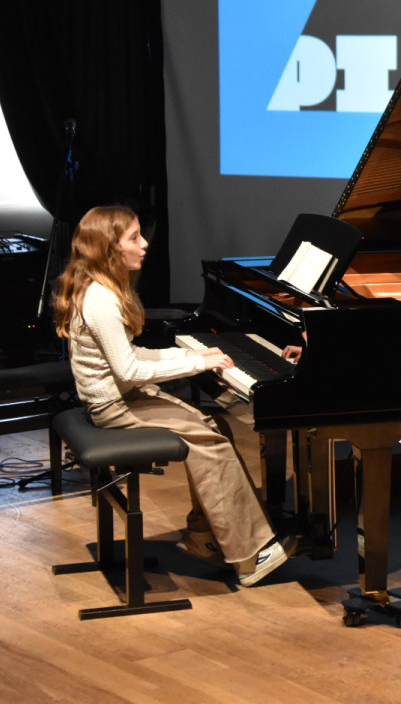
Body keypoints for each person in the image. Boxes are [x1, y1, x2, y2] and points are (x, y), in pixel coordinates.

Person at [54, 205, 297, 587]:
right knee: (210, 443)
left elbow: (131, 357)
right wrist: (195, 364)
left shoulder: (100, 288)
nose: (145, 244)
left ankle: (205, 539)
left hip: (122, 397)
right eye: (134, 237)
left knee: (214, 424)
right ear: (109, 248)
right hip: (114, 407)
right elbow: (129, 371)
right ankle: (249, 557)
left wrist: (190, 354)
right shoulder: (101, 301)